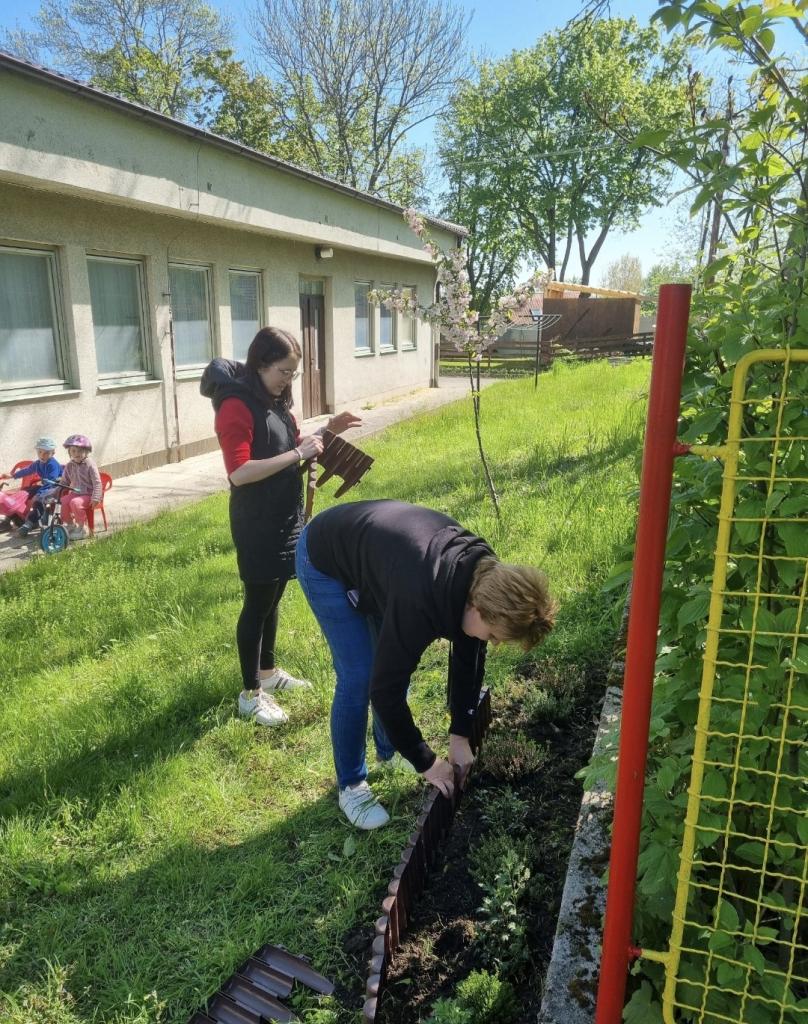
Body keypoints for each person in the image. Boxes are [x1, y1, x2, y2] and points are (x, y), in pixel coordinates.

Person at [295, 499, 557, 829]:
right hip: (324, 555)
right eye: (493, 635)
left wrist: (460, 735)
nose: (494, 643)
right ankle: (351, 785)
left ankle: (390, 752)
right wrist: (427, 762)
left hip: (383, 559)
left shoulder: (484, 576)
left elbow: (469, 657)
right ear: (477, 608)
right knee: (361, 676)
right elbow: (385, 691)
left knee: (389, 661)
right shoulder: (419, 599)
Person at [200, 327, 361, 728]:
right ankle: (250, 694)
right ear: (260, 364)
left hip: (286, 516)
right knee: (257, 603)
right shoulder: (235, 406)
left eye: (293, 373)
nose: (288, 380)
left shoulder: (275, 403)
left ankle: (268, 672)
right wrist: (297, 453)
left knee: (273, 598)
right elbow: (239, 472)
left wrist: (328, 430)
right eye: (283, 372)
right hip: (256, 520)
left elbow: (290, 446)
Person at [9, 438, 62, 537]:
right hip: (45, 487)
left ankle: (30, 523)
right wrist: (13, 476)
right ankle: (18, 513)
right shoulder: (38, 463)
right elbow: (27, 470)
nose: (42, 455)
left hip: (56, 488)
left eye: (46, 453)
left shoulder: (52, 465)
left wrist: (38, 494)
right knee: (27, 491)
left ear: (53, 453)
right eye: (40, 452)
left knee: (39, 499)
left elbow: (51, 482)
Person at [59, 434, 103, 540]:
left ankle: (83, 528)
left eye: (80, 451)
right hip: (76, 492)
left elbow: (97, 483)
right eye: (73, 451)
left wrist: (96, 497)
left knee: (75, 502)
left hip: (89, 494)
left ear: (86, 452)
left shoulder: (90, 465)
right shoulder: (70, 465)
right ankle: (70, 524)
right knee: (63, 501)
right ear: (69, 452)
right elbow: (64, 481)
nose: (76, 454)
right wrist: (56, 490)